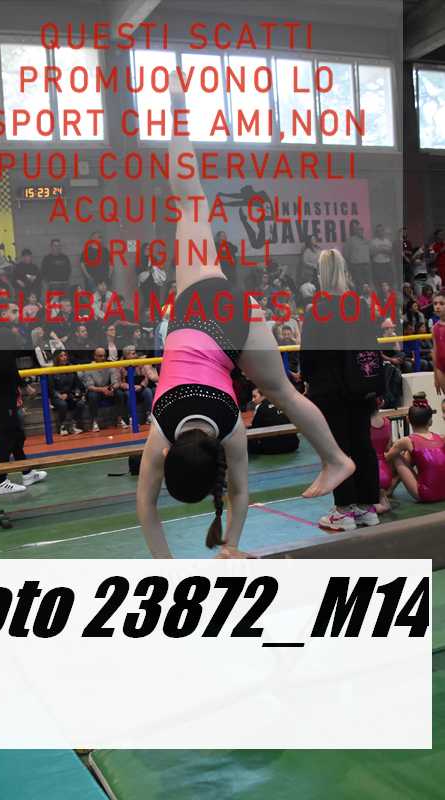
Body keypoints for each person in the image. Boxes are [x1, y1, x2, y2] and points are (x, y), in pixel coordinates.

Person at [136, 74, 354, 559]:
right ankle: (178, 110)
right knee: (189, 199)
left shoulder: (230, 425)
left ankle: (337, 458)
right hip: (201, 305)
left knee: (282, 393)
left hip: (237, 322)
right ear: (169, 454)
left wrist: (227, 546)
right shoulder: (161, 426)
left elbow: (237, 494)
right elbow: (145, 506)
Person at [300, 248, 381, 532]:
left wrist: (306, 381)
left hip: (330, 390)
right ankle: (367, 507)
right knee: (362, 444)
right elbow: (372, 346)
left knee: (338, 449)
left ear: (321, 274)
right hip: (361, 386)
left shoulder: (316, 311)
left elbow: (308, 356)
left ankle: (344, 509)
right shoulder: (361, 306)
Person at [0, 302, 47, 494]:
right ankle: (0, 480)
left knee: (16, 433)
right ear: (3, 314)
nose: (17, 314)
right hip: (4, 391)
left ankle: (26, 471)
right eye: (13, 311)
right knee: (6, 435)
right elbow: (7, 365)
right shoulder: (5, 333)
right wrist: (23, 385)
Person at [385, 396, 445, 502]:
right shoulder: (441, 438)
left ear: (408, 420)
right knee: (411, 453)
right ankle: (391, 488)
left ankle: (389, 487)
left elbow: (386, 458)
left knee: (396, 456)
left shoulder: (406, 441)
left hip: (426, 494)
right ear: (430, 421)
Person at [80, 346, 128, 432]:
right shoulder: (88, 367)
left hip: (108, 390)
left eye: (104, 356)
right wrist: (102, 389)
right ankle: (94, 422)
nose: (103, 358)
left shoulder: (109, 365)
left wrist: (111, 389)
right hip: (96, 391)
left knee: (120, 393)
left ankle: (120, 419)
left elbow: (116, 382)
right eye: (100, 356)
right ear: (95, 356)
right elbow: (90, 386)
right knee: (92, 396)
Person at [247, 388, 299, 455]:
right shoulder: (282, 403)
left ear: (264, 395)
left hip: (272, 449)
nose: (253, 400)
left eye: (255, 396)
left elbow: (254, 428)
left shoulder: (261, 408)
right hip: (293, 445)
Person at [49, 350, 85, 435]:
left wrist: (77, 393)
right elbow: (51, 388)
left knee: (80, 403)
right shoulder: (52, 370)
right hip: (57, 396)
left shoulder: (71, 368)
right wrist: (59, 395)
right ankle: (62, 426)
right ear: (57, 358)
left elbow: (77, 384)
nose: (64, 357)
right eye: (61, 356)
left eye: (65, 355)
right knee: (63, 404)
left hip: (69, 394)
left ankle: (73, 425)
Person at [370, 399, 394, 513]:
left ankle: (373, 503)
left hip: (371, 473)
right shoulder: (387, 422)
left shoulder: (362, 423)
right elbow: (388, 447)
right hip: (386, 474)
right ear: (382, 403)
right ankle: (382, 497)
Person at [343, 220, 371, 290]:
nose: (361, 231)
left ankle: (366, 296)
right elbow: (346, 255)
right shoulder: (350, 240)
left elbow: (369, 252)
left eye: (362, 229)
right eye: (359, 230)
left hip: (366, 266)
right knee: (359, 285)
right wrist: (352, 265)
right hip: (356, 267)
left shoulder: (366, 240)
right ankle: (359, 296)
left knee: (367, 284)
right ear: (355, 231)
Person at [432, 292, 445, 395]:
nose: (437, 306)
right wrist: (435, 375)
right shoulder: (434, 328)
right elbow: (435, 351)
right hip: (440, 367)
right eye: (435, 303)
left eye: (441, 303)